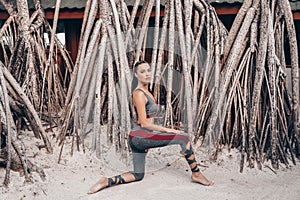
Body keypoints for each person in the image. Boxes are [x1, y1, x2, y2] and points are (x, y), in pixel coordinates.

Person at [88, 61, 213, 194]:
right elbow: (144, 123)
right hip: (140, 136)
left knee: (138, 175)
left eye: (148, 70)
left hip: (140, 137)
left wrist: (149, 140)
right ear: (136, 75)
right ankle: (196, 174)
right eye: (142, 71)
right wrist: (167, 130)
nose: (147, 74)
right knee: (184, 138)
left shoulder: (147, 91)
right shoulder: (139, 94)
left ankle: (107, 181)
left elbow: (147, 122)